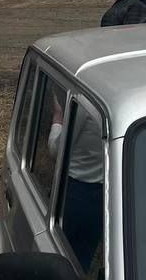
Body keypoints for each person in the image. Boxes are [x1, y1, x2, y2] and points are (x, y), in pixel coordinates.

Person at [49, 97, 104, 272]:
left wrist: (57, 121)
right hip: (101, 196)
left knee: (57, 253)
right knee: (81, 262)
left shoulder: (85, 102)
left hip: (72, 192)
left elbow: (57, 149)